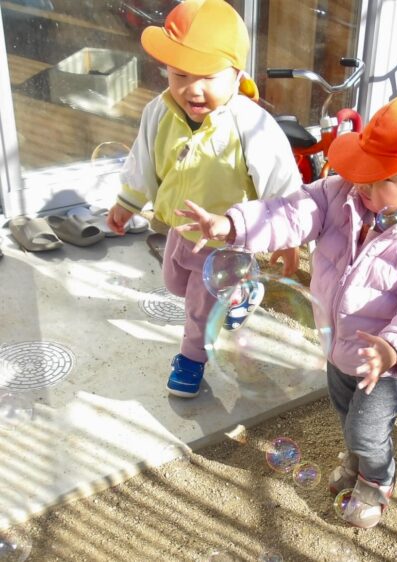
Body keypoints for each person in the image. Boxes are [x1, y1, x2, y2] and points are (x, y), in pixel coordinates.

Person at [175, 91, 397, 529]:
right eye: (366, 170)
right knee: (345, 413)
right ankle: (356, 461)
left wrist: (393, 349)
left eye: (385, 179)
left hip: (388, 362)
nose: (366, 185)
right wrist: (232, 225)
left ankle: (377, 480)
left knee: (367, 430)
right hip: (339, 344)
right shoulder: (340, 193)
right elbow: (288, 213)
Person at [105, 0, 301, 398]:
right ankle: (242, 291)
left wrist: (288, 236)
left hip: (227, 239)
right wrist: (127, 203)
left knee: (198, 304)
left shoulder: (252, 125)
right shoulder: (159, 111)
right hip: (181, 228)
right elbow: (142, 160)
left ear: (237, 74)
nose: (192, 88)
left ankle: (191, 359)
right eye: (179, 74)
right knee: (175, 283)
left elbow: (281, 183)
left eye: (208, 77)